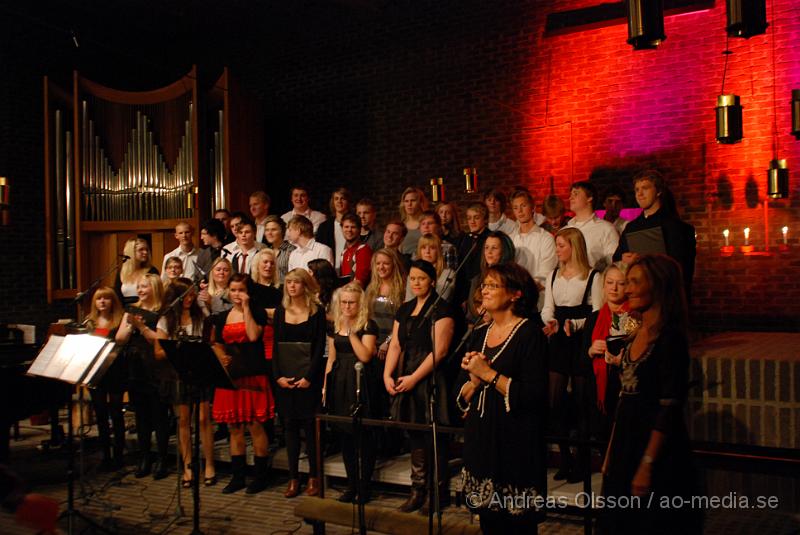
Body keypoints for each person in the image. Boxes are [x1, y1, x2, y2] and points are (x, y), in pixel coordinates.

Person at [601, 255, 701, 535]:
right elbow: (624, 397)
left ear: (657, 286)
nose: (627, 288)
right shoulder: (634, 333)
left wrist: (647, 463)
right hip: (626, 441)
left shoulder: (670, 339)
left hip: (656, 449)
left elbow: (668, 407)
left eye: (634, 282)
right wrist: (610, 451)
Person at [458, 263, 548, 534]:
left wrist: (489, 374)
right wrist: (473, 382)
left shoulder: (530, 334)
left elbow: (535, 394)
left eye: (492, 285)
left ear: (515, 294)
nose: (484, 290)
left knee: (516, 526)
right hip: (484, 439)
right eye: (484, 285)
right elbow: (464, 396)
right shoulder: (480, 334)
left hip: (515, 442)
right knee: (489, 524)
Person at [383, 260, 456, 513]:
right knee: (415, 436)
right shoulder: (404, 309)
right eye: (412, 278)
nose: (416, 283)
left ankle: (438, 492)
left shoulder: (443, 309)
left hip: (431, 377)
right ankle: (418, 489)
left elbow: (441, 350)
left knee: (434, 438)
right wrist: (387, 374)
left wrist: (415, 378)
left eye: (421, 278)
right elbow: (395, 345)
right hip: (407, 374)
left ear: (432, 281)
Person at [541, 228, 603, 483]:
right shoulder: (553, 275)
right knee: (554, 402)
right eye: (556, 245)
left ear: (574, 247)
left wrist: (576, 325)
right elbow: (548, 308)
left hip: (581, 339)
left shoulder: (593, 276)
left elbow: (598, 313)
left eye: (561, 245)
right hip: (558, 340)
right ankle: (565, 457)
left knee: (581, 402)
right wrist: (550, 323)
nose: (557, 250)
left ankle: (582, 460)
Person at [210, 274, 273, 494]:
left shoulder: (258, 312)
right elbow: (217, 343)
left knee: (255, 425)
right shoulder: (221, 317)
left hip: (252, 374)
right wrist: (221, 357)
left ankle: (260, 476)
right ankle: (238, 477)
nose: (237, 294)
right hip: (231, 377)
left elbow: (253, 335)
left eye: (241, 290)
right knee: (234, 427)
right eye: (233, 290)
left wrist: (246, 307)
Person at [153, 279, 217, 487]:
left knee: (204, 418)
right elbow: (158, 351)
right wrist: (177, 346)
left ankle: (209, 464)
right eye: (185, 296)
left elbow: (211, 340)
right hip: (178, 373)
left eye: (192, 295)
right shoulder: (166, 319)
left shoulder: (201, 315)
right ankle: (188, 465)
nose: (190, 299)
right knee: (183, 420)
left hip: (200, 371)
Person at [272, 269, 327, 498]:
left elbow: (319, 348)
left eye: (296, 282)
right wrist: (278, 377)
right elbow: (275, 346)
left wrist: (309, 378)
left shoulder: (317, 312)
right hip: (285, 377)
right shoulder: (279, 311)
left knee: (310, 429)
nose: (291, 286)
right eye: (288, 282)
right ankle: (293, 478)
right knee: (290, 429)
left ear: (305, 285)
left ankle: (314, 477)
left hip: (308, 379)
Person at [323, 283, 379, 503]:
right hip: (339, 381)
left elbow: (365, 356)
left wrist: (351, 331)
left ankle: (364, 487)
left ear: (360, 304)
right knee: (345, 436)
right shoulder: (335, 325)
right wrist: (325, 385)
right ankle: (351, 484)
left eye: (351, 302)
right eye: (343, 302)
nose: (346, 306)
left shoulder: (368, 325)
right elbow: (332, 358)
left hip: (360, 380)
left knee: (363, 437)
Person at [115, 273, 170, 479]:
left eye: (144, 286)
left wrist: (141, 327)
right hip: (135, 368)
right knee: (141, 417)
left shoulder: (162, 312)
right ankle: (145, 457)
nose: (140, 290)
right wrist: (129, 327)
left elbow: (160, 341)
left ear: (154, 288)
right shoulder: (130, 310)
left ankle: (162, 459)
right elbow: (120, 339)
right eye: (138, 287)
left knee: (159, 416)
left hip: (155, 369)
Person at [613, 170, 696, 301]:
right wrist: (623, 261)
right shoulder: (631, 227)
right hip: (636, 295)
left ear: (658, 191)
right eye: (636, 190)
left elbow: (682, 269)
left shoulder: (677, 227)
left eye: (645, 188)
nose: (639, 194)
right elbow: (616, 259)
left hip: (665, 297)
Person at [585, 263, 632, 441]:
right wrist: (590, 351)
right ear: (603, 286)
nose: (614, 288)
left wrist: (621, 361)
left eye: (620, 283)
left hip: (623, 387)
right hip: (599, 389)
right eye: (610, 282)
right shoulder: (594, 318)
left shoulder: (632, 316)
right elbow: (581, 361)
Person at [86, 287, 126, 471]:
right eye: (98, 299)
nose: (102, 302)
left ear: (113, 301)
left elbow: (121, 343)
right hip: (95, 371)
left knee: (116, 413)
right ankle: (105, 455)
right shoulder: (90, 322)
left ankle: (119, 455)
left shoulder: (119, 320)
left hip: (115, 370)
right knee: (100, 414)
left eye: (106, 299)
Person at [509, 188, 558, 311]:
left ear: (532, 207)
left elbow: (545, 276)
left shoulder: (545, 238)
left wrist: (523, 292)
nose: (519, 211)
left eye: (523, 206)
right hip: (513, 302)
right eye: (515, 208)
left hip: (537, 303)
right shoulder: (510, 239)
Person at [566, 181, 619, 271]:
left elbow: (615, 262)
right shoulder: (566, 230)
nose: (570, 198)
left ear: (589, 198)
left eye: (576, 194)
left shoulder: (606, 229)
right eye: (570, 194)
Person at [455, 202, 491, 309]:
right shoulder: (465, 239)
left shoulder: (490, 238)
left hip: (482, 286)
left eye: (476, 218)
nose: (472, 221)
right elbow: (461, 269)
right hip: (466, 289)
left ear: (485, 219)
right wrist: (462, 296)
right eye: (469, 218)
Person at [405, 233, 455, 303]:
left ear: (438, 251)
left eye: (432, 248)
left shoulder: (448, 273)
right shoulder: (413, 272)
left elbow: (442, 299)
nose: (427, 252)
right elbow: (408, 300)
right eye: (424, 247)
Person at [315, 187, 351, 270]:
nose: (339, 201)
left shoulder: (355, 224)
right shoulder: (324, 227)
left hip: (350, 269)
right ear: (333, 202)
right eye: (336, 199)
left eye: (343, 198)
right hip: (331, 270)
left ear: (348, 202)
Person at [115, 237, 158, 305]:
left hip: (144, 310)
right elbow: (117, 297)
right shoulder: (121, 272)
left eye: (146, 249)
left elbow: (156, 296)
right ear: (131, 252)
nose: (145, 252)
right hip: (124, 311)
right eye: (141, 250)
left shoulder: (152, 271)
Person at [339, 212, 372, 287]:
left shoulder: (363, 250)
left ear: (359, 230)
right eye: (346, 227)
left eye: (353, 227)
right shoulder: (344, 252)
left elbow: (359, 282)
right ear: (342, 228)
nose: (349, 230)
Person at [262, 214, 296, 283]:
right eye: (267, 230)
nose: (269, 233)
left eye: (273, 230)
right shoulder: (265, 252)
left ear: (282, 231)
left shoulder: (292, 251)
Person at [398, 187, 429, 256]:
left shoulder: (427, 224)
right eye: (406, 201)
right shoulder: (401, 226)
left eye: (413, 200)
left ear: (420, 202)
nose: (409, 204)